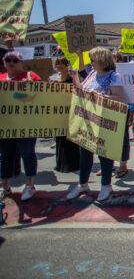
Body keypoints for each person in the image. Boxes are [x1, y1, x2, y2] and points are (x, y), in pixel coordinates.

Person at [66, 47, 128, 202]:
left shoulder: (114, 76)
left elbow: (120, 98)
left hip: (105, 122)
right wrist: (75, 78)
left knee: (104, 154)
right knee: (85, 153)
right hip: (88, 120)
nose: (90, 62)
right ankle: (83, 184)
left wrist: (102, 96)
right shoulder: (92, 74)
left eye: (92, 59)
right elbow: (82, 90)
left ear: (102, 60)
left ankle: (106, 185)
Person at [0, 50, 42, 201]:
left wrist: (22, 91)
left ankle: (30, 185)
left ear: (21, 63)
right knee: (5, 156)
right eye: (8, 60)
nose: (11, 63)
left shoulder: (31, 77)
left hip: (26, 124)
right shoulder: (1, 78)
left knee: (27, 153)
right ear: (4, 63)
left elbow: (40, 97)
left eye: (15, 60)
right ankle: (5, 187)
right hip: (6, 125)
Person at [51, 56, 82, 173]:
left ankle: (73, 165)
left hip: (71, 112)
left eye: (61, 63)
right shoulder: (54, 79)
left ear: (66, 65)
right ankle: (61, 165)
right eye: (57, 63)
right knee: (60, 139)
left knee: (70, 140)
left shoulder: (72, 79)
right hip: (59, 113)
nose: (59, 65)